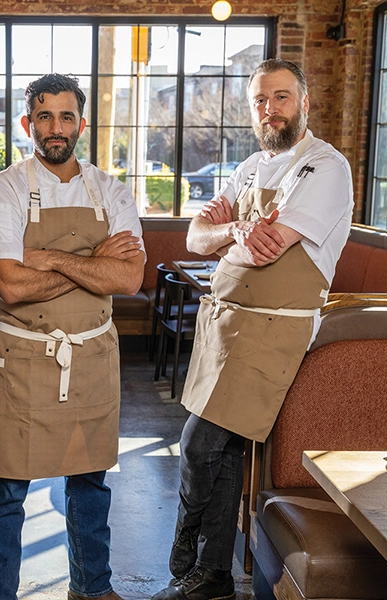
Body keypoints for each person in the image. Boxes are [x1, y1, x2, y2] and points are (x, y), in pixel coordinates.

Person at [150, 59, 353, 600]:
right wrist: (234, 229)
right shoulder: (246, 168)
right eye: (261, 100)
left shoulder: (324, 167)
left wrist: (226, 234)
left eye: (281, 97)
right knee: (223, 454)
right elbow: (194, 238)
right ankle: (212, 575)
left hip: (272, 329)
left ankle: (185, 545)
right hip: (224, 325)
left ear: (304, 102)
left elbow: (268, 249)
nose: (270, 109)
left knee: (197, 444)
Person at [0, 73, 145, 600]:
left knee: (90, 483)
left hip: (91, 359)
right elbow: (12, 286)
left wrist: (48, 258)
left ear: (81, 125)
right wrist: (93, 262)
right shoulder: (2, 190)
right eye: (44, 117)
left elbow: (129, 278)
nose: (56, 128)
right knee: (7, 488)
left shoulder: (110, 190)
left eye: (66, 117)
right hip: (24, 361)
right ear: (28, 125)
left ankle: (92, 589)